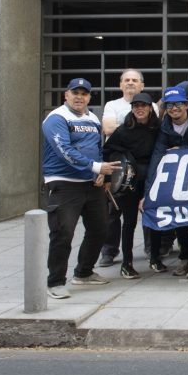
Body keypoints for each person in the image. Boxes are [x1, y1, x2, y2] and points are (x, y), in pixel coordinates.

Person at [42, 78, 120, 299]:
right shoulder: (56, 118)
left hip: (91, 184)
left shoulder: (93, 118)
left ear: (88, 97)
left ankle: (84, 272)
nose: (79, 97)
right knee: (62, 233)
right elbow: (63, 150)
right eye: (75, 92)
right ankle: (55, 282)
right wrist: (96, 167)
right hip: (64, 184)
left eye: (84, 93)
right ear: (66, 95)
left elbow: (97, 148)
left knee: (100, 229)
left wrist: (98, 174)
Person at [101, 92, 159, 280]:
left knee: (153, 219)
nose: (139, 109)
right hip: (129, 181)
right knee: (129, 221)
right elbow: (108, 151)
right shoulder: (123, 130)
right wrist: (110, 179)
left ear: (150, 108)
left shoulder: (157, 128)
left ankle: (155, 257)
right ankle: (127, 263)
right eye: (136, 106)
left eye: (143, 105)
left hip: (151, 179)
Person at [98, 70, 151, 267]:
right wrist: (135, 123)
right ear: (120, 85)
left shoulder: (152, 105)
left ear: (142, 85)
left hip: (143, 169)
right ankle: (109, 251)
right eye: (126, 80)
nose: (130, 83)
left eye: (134, 80)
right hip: (120, 167)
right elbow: (108, 129)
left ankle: (151, 249)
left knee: (147, 210)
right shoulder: (112, 105)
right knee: (114, 213)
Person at [146, 86, 188, 276]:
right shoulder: (164, 127)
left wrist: (182, 149)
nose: (174, 108)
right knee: (181, 217)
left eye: (178, 104)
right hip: (179, 180)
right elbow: (157, 158)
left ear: (186, 105)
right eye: (169, 105)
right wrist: (149, 192)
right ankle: (186, 256)